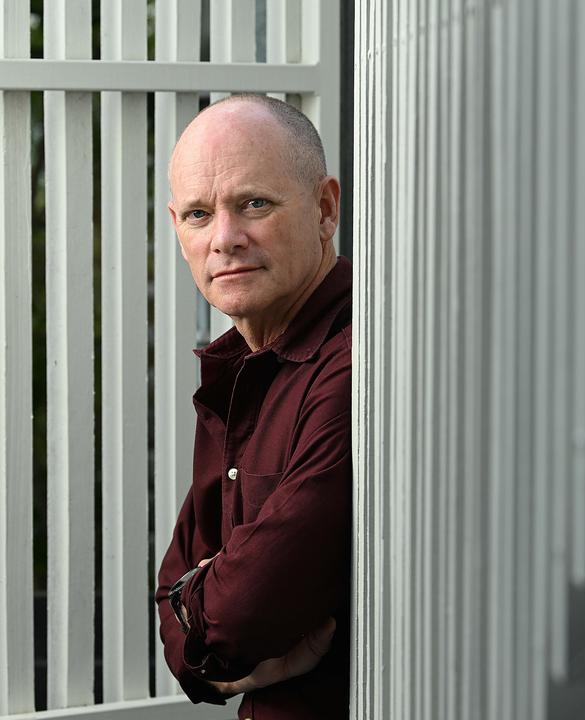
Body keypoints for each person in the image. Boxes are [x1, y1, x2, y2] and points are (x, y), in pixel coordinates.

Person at [154, 92, 352, 720]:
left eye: (254, 204)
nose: (224, 240)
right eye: (197, 214)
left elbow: (239, 614)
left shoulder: (360, 361)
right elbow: (170, 604)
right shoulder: (236, 368)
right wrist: (217, 659)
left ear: (325, 209)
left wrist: (212, 626)